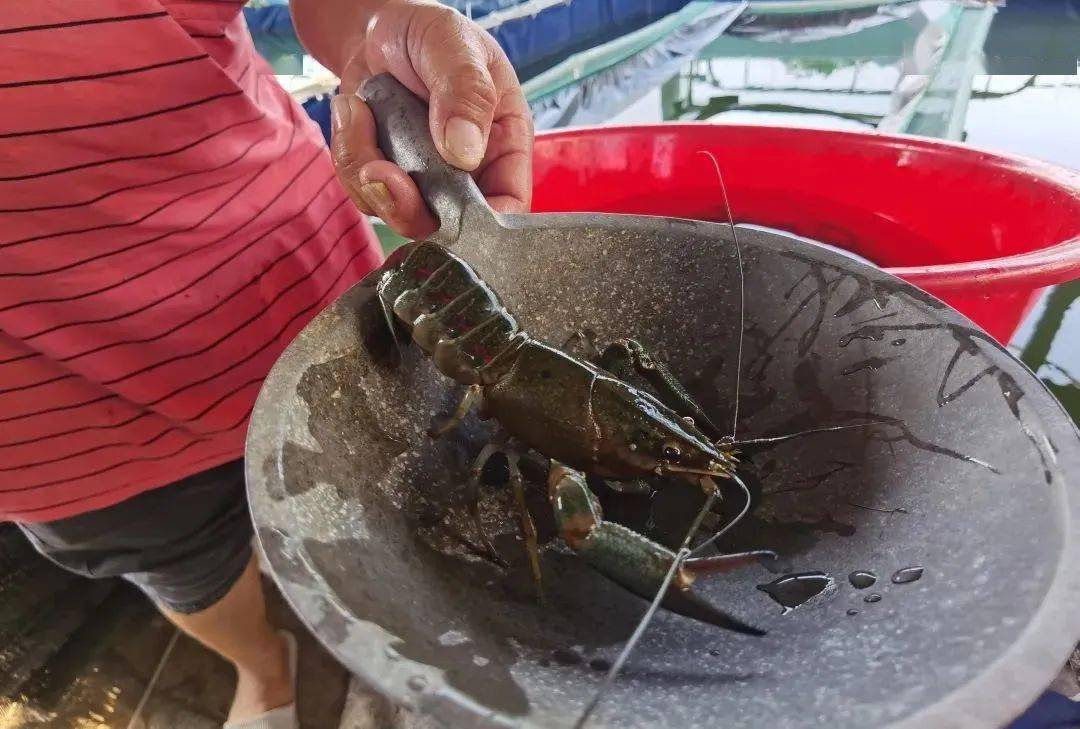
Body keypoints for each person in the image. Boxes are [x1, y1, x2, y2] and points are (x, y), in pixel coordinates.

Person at [0, 1, 532, 727]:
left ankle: (381, 642)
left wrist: (373, 28)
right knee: (185, 572)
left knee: (395, 512)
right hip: (52, 437)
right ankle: (262, 664)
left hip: (300, 307)